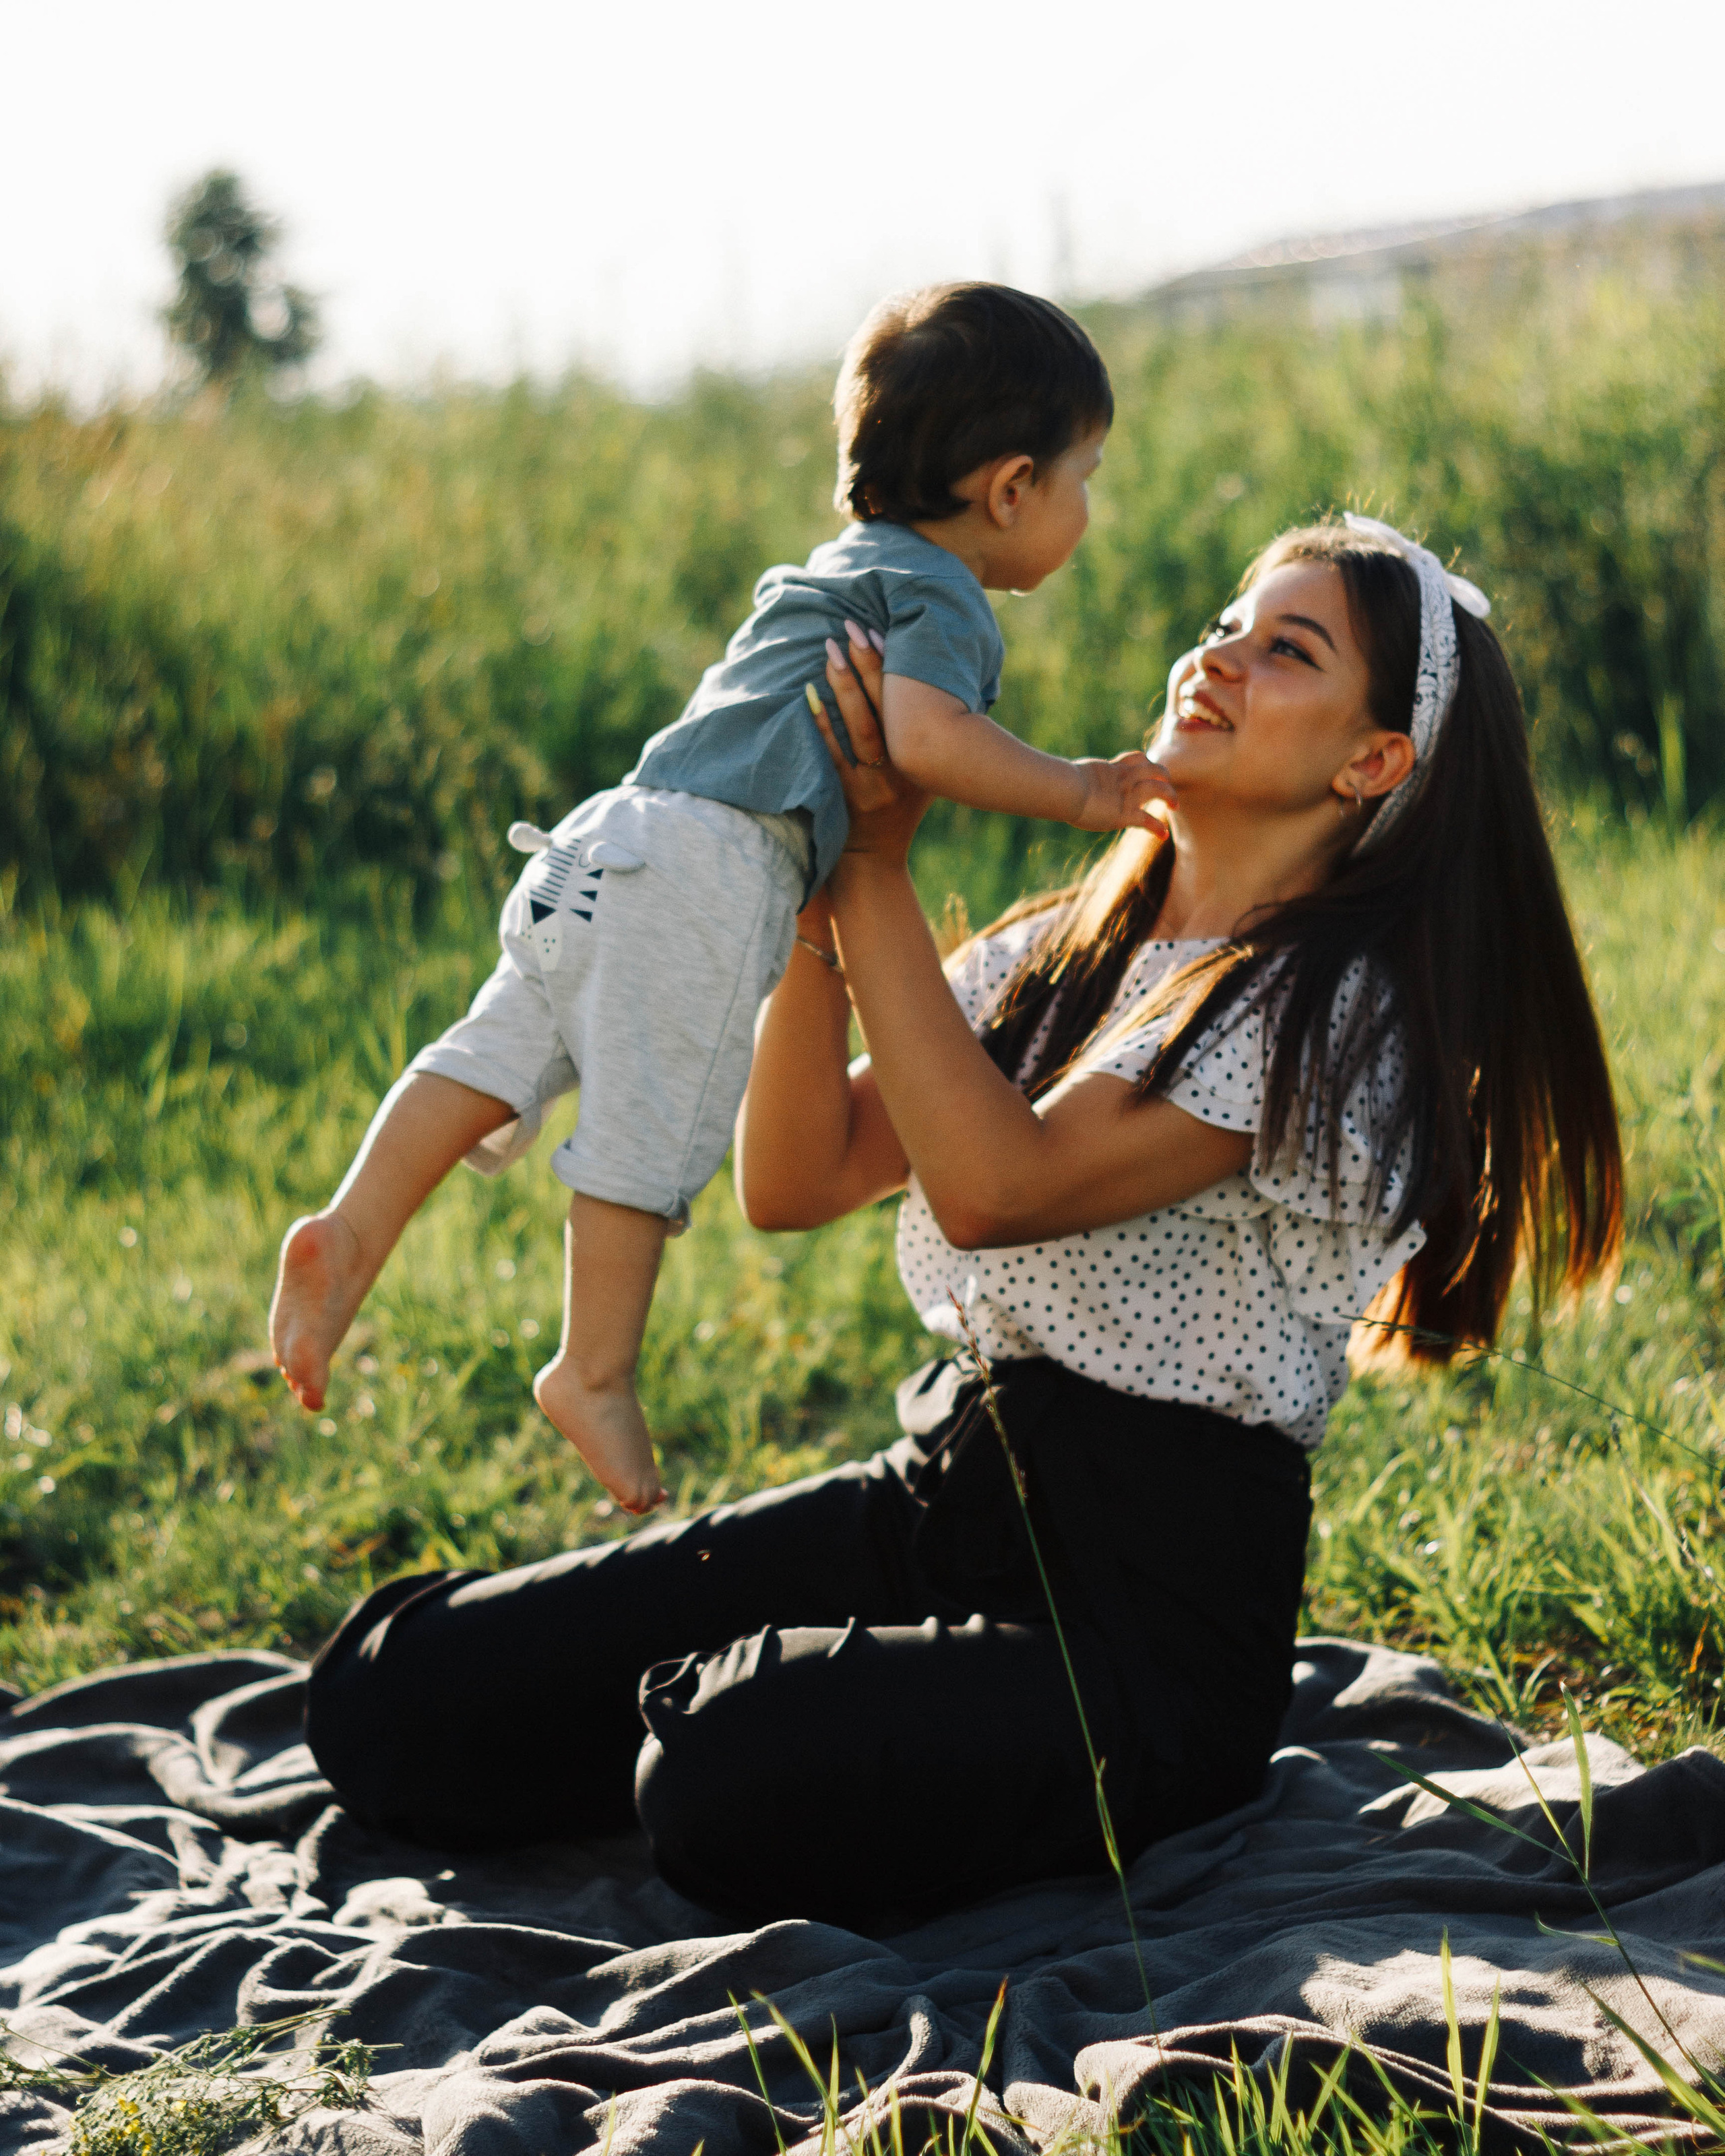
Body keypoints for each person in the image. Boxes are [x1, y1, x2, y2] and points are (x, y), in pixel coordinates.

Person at [303, 515, 1622, 1930]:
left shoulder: (1327, 1013)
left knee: (719, 1770)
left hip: (1144, 1629)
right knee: (393, 1700)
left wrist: (878, 865)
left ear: (1373, 762)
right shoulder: (1062, 951)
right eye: (1225, 623)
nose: (1219, 658)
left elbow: (1001, 1187)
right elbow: (794, 1177)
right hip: (945, 1498)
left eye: (1286, 649)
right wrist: (813, 865)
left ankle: (805, 1731)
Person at [268, 282, 1165, 1515]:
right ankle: (592, 1368)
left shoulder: (844, 564)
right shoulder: (945, 595)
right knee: (654, 1113)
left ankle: (353, 1229)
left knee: (497, 1050)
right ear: (1012, 488)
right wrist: (1081, 790)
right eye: (1084, 477)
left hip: (612, 833)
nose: (1086, 507)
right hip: (711, 871)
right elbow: (924, 737)